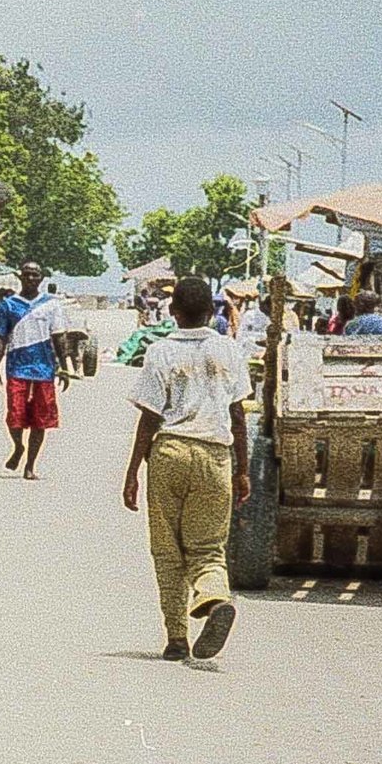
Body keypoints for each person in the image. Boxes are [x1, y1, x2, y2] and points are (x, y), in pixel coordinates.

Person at [121, 276, 250, 662]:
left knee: (167, 550)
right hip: (215, 456)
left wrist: (132, 473)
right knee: (209, 548)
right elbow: (238, 416)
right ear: (212, 312)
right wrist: (242, 470)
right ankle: (214, 599)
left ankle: (176, 637)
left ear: (172, 311)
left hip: (170, 453)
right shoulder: (229, 350)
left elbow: (149, 416)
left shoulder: (160, 351)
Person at [0, 262, 72, 480]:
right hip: (16, 367)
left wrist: (64, 367)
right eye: (26, 275)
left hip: (44, 369)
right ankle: (18, 446)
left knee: (41, 419)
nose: (31, 278)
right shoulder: (7, 305)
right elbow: (0, 339)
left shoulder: (51, 305)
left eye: (35, 275)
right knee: (15, 415)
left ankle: (30, 465)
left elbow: (59, 336)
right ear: (20, 277)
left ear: (41, 277)